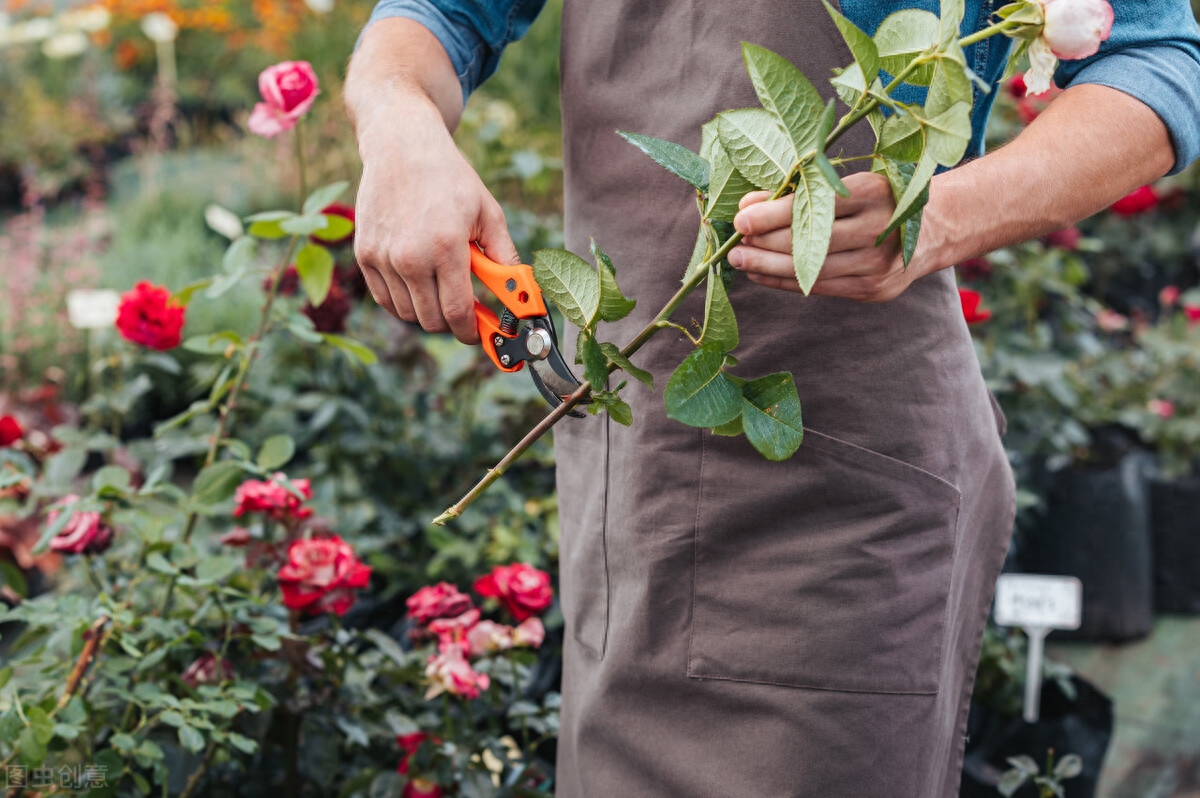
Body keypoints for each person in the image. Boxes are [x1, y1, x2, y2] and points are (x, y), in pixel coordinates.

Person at [345, 2, 1200, 795]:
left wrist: (936, 215)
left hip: (837, 508)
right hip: (632, 477)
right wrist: (398, 122)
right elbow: (439, 15)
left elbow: (1158, 63)